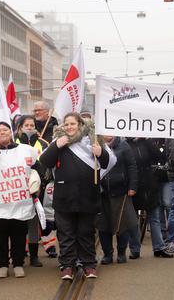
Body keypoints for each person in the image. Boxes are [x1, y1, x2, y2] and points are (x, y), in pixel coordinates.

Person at [39, 113, 112, 280]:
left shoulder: (92, 139)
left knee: (86, 232)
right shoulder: (58, 140)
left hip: (88, 195)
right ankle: (67, 265)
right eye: (67, 124)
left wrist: (101, 153)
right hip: (64, 197)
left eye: (73, 124)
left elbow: (107, 163)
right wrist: (57, 145)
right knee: (66, 234)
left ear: (80, 125)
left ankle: (89, 265)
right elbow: (45, 161)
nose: (69, 127)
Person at [0, 121, 40, 278]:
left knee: (19, 234)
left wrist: (36, 181)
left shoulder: (26, 150)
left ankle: (18, 263)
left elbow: (38, 169)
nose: (2, 132)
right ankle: (2, 264)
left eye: (5, 130)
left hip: (20, 202)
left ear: (11, 133)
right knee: (0, 236)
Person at [16, 115, 53, 266]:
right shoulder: (13, 143)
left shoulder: (43, 143)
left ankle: (34, 256)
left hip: (38, 189)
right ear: (20, 127)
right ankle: (19, 252)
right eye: (27, 125)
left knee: (34, 222)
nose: (30, 127)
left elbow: (47, 164)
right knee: (19, 223)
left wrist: (42, 182)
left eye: (32, 125)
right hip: (18, 189)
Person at [128, 137, 174, 258]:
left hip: (149, 183)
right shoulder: (126, 145)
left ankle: (159, 247)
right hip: (133, 185)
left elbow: (160, 156)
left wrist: (148, 141)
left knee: (154, 217)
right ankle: (135, 249)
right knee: (133, 220)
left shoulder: (146, 142)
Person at [98, 136, 138, 264]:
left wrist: (132, 186)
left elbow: (132, 166)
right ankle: (107, 254)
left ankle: (121, 252)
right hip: (102, 193)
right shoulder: (96, 145)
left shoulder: (124, 146)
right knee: (103, 225)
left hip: (121, 191)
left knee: (122, 224)